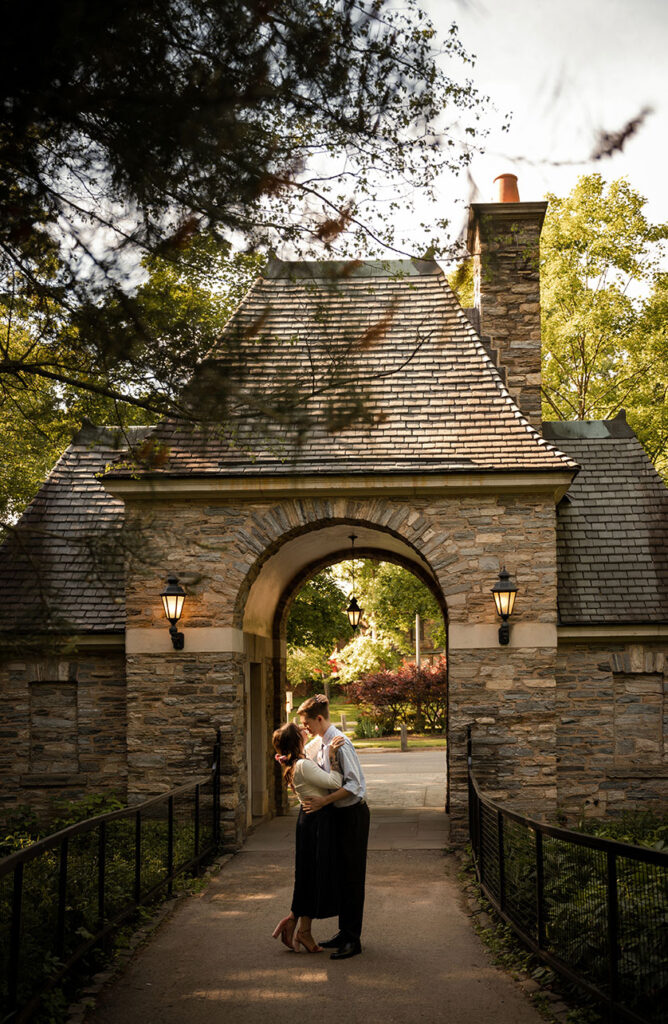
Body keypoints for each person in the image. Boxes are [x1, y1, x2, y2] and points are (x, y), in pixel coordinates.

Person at [299, 693, 369, 961]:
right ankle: (344, 932)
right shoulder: (322, 743)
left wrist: (323, 802)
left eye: (307, 723)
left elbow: (355, 785)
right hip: (338, 816)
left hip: (353, 815)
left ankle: (353, 940)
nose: (306, 728)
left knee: (352, 878)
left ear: (319, 718)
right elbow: (325, 775)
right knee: (341, 875)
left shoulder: (341, 743)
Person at [271, 721, 344, 953]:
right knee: (312, 877)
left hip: (309, 821)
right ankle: (300, 928)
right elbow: (335, 782)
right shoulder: (302, 765)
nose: (305, 731)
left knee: (307, 876)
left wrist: (316, 719)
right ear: (296, 741)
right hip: (316, 823)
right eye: (300, 731)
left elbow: (314, 742)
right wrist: (332, 757)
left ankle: (297, 925)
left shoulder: (299, 760)